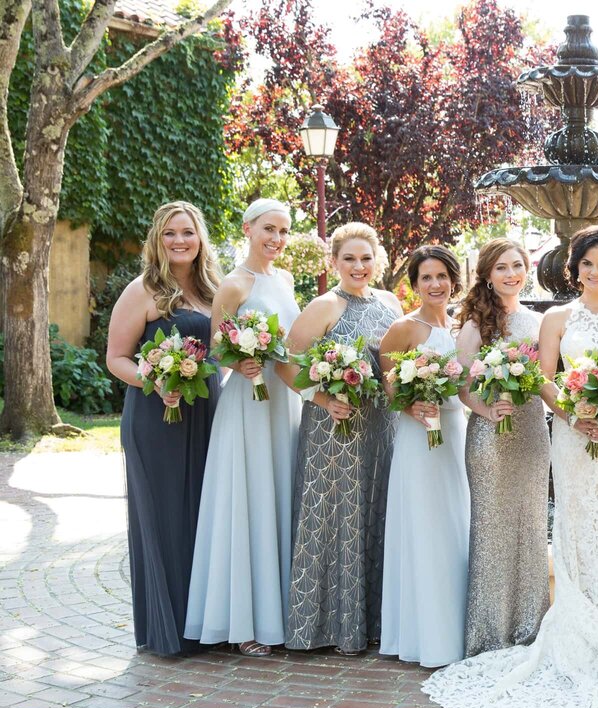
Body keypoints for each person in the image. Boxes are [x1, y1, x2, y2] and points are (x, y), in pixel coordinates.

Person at [422, 226, 598, 708]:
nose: (595, 272)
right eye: (587, 264)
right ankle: (572, 627)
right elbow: (545, 381)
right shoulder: (556, 318)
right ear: (574, 269)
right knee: (575, 523)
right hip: (573, 436)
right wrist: (577, 416)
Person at [105, 201, 223, 657]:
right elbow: (117, 357)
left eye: (187, 233)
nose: (179, 241)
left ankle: (208, 622)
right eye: (171, 233)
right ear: (158, 239)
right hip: (157, 418)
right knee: (166, 514)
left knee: (204, 512)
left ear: (200, 239)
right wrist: (155, 380)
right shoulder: (142, 291)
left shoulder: (214, 290)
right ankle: (169, 629)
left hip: (206, 415)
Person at [185, 199, 302, 656]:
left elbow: (293, 342)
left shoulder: (286, 280)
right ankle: (245, 623)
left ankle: (284, 612)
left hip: (284, 401)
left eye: (284, 231)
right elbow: (217, 350)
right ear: (248, 228)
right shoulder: (233, 285)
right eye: (269, 229)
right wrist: (242, 356)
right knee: (249, 500)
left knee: (279, 495)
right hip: (249, 402)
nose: (277, 239)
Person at [280, 222, 403, 655]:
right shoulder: (324, 305)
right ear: (334, 262)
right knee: (337, 518)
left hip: (380, 429)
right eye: (349, 258)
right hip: (335, 430)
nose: (358, 266)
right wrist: (323, 397)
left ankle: (372, 624)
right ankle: (326, 627)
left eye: (366, 258)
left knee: (374, 512)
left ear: (378, 260)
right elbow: (285, 363)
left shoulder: (390, 302)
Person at [455, 239, 550, 657]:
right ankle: (489, 631)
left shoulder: (539, 322)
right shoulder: (475, 325)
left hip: (531, 433)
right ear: (487, 276)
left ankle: (531, 626)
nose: (511, 274)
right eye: (501, 268)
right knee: (492, 528)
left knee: (531, 526)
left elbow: (547, 379)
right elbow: (461, 385)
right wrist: (487, 409)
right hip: (490, 438)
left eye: (517, 265)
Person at [378, 246, 471, 667]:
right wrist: (410, 405)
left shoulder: (462, 327)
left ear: (453, 279)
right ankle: (423, 635)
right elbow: (388, 383)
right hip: (419, 439)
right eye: (426, 278)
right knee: (423, 525)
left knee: (455, 523)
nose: (435, 284)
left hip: (454, 432)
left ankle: (455, 628)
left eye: (442, 276)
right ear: (414, 285)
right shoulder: (404, 328)